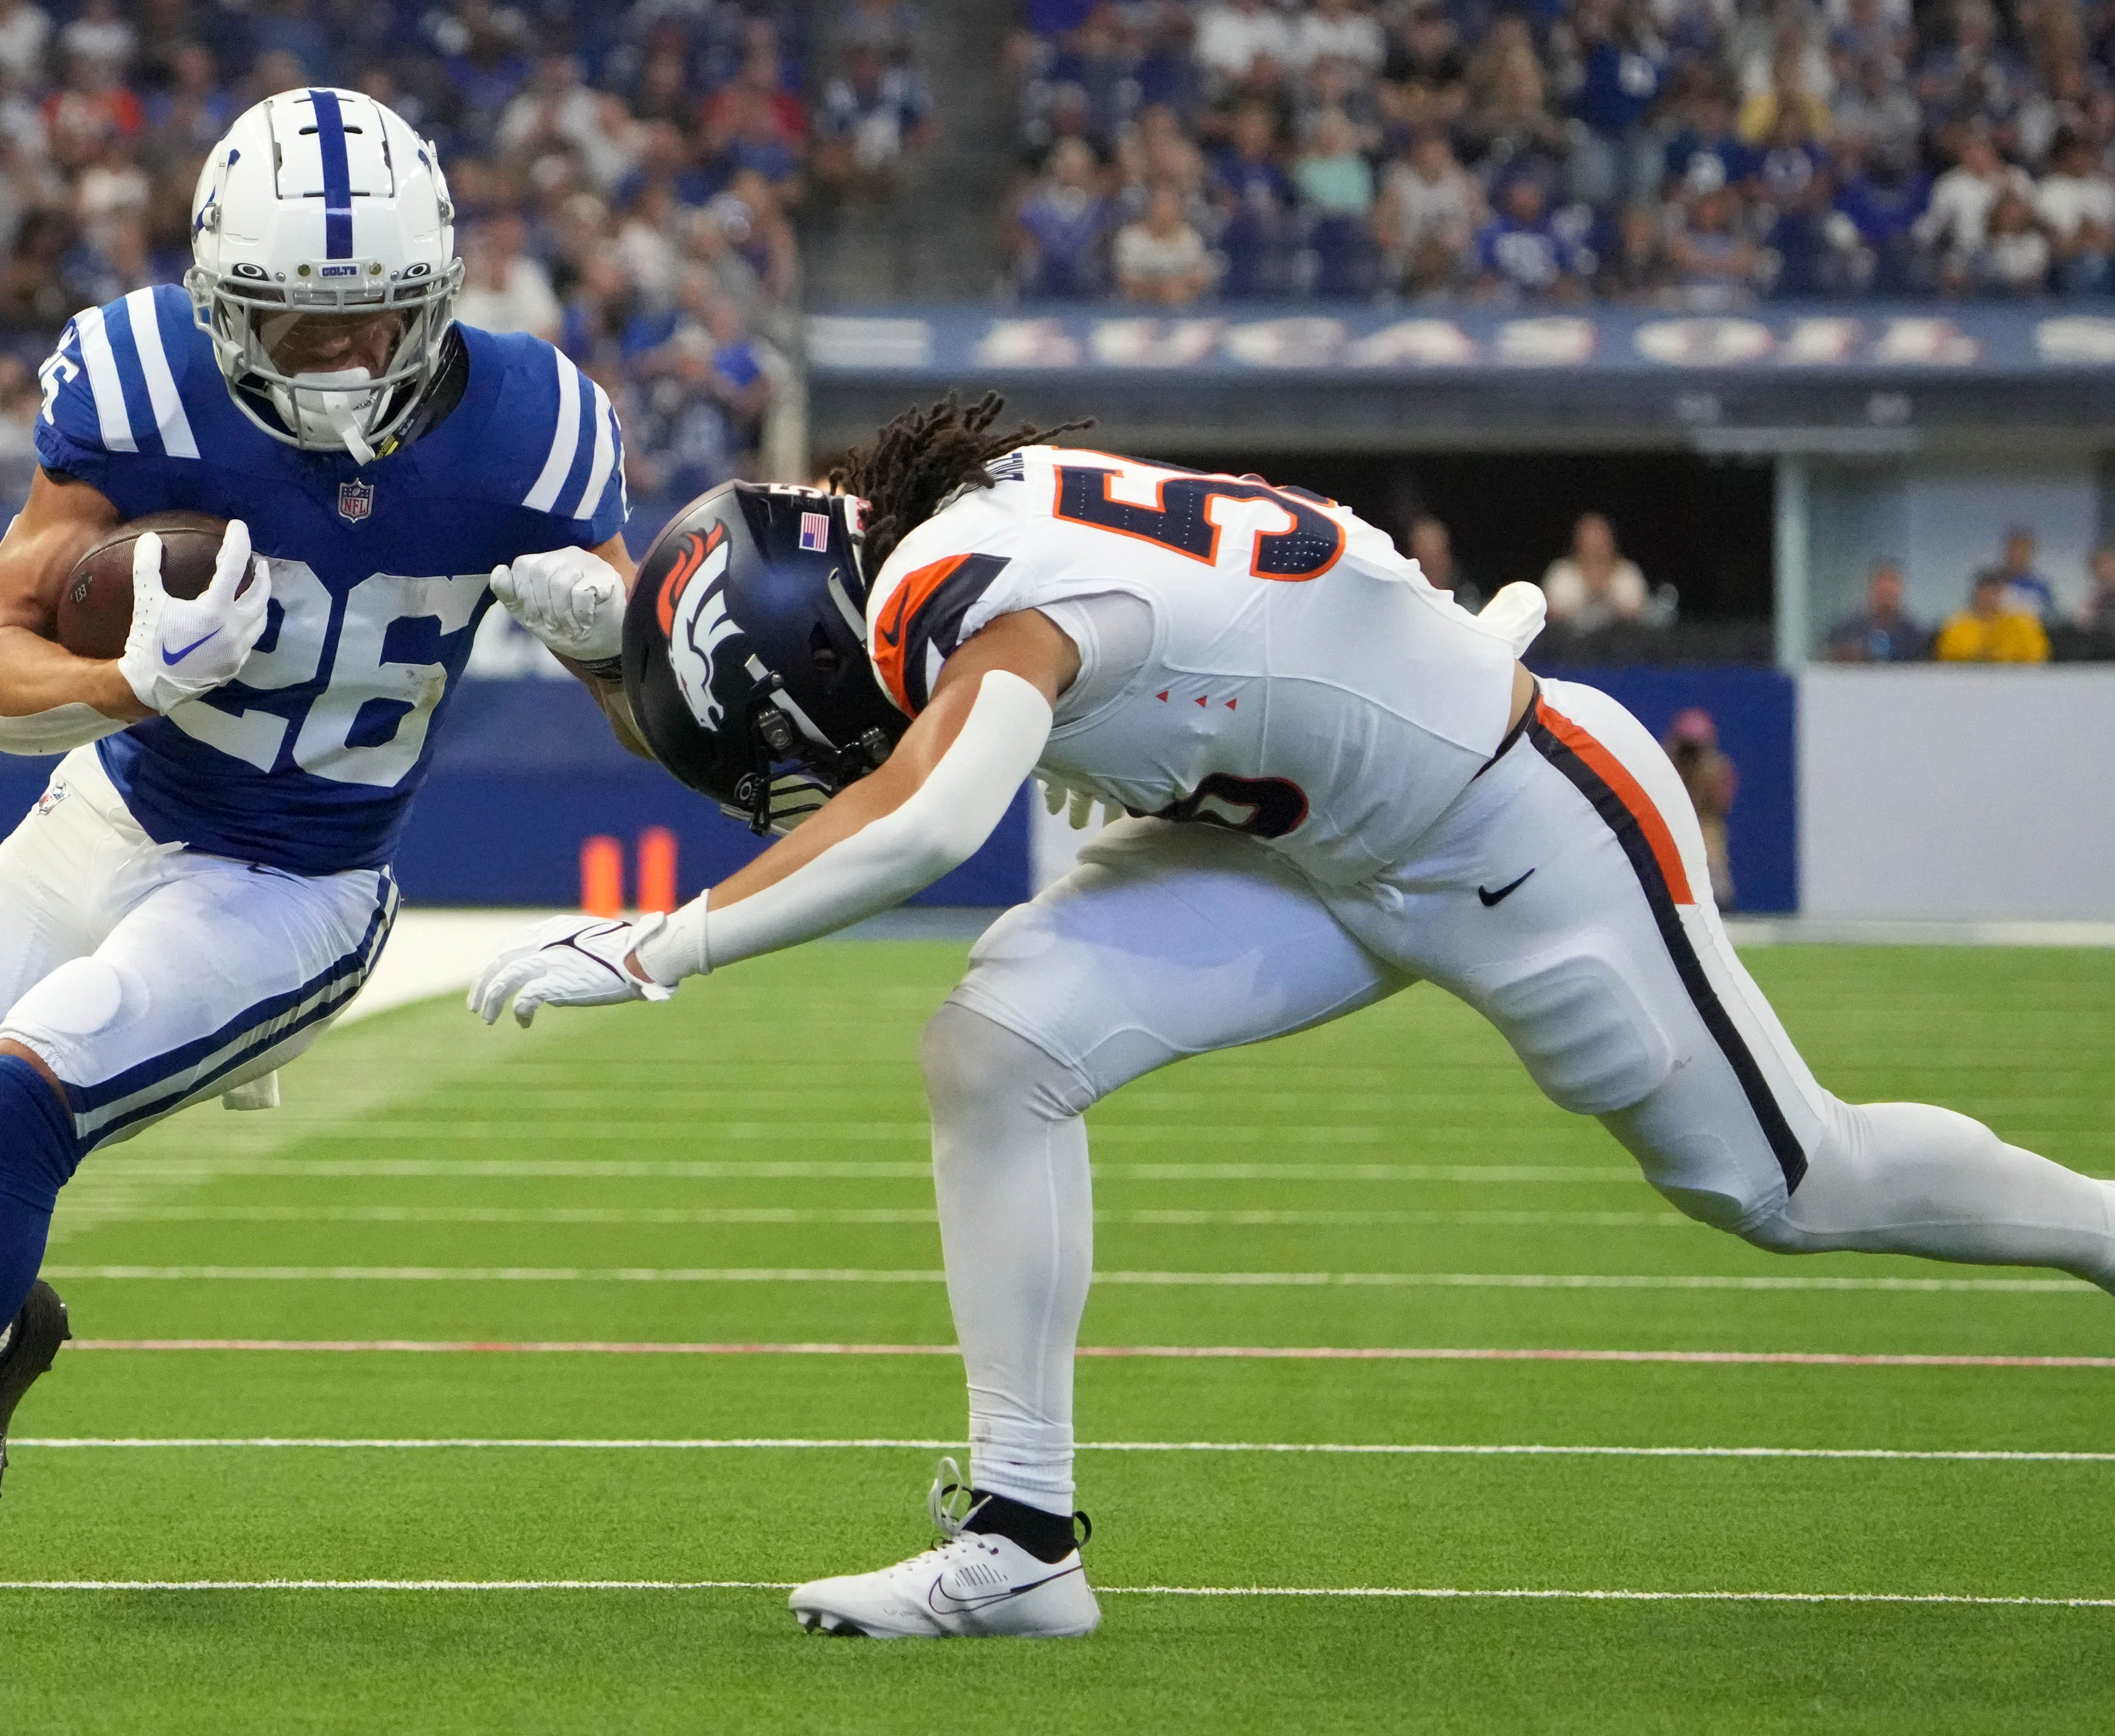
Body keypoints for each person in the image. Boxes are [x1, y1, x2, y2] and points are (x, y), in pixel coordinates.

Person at [473, 396, 2115, 1639]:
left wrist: (658, 945)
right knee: (1000, 1046)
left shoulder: (978, 597)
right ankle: (1021, 1542)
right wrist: (616, 652)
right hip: (1317, 840)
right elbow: (831, 716)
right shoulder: (949, 527)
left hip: (1510, 828)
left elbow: (913, 818)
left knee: (1784, 1185)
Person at [0, 87, 641, 1630]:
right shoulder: (135, 383)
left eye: (375, 322)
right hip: (112, 811)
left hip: (293, 884)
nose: (338, 360)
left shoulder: (535, 424)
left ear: (438, 296)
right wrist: (129, 681)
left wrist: (626, 652)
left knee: (15, 1108)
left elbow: (661, 726)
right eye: (292, 322)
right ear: (213, 299)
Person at [1662, 707, 1738, 911]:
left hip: (1704, 826)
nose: (1690, 756)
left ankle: (1719, 906)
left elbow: (1719, 806)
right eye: (1686, 749)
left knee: (1710, 845)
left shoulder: (1717, 769)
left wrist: (1706, 777)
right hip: (1672, 828)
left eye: (1695, 750)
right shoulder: (1664, 766)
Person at [1539, 511, 1649, 632]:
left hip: (1620, 644)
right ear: (1577, 542)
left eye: (1600, 539)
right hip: (1569, 645)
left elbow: (1637, 614)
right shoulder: (1561, 573)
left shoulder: (1627, 572)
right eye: (1588, 539)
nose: (1594, 546)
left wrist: (1604, 589)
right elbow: (1550, 615)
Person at [1821, 560, 1930, 662]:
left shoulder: (1913, 634)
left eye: (1891, 589)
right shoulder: (1849, 629)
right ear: (1873, 589)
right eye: (1882, 587)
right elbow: (1827, 660)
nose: (1887, 590)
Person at [1934, 572, 2049, 663]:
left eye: (1994, 592)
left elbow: (2038, 656)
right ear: (1976, 594)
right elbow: (1946, 657)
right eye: (1985, 592)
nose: (1989, 598)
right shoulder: (1958, 624)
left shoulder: (2021, 623)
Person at [1975, 527, 2059, 620]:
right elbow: (1978, 613)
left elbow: (2049, 618)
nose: (2019, 555)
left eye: (2023, 551)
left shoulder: (2040, 588)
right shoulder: (1991, 583)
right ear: (2007, 551)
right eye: (2015, 549)